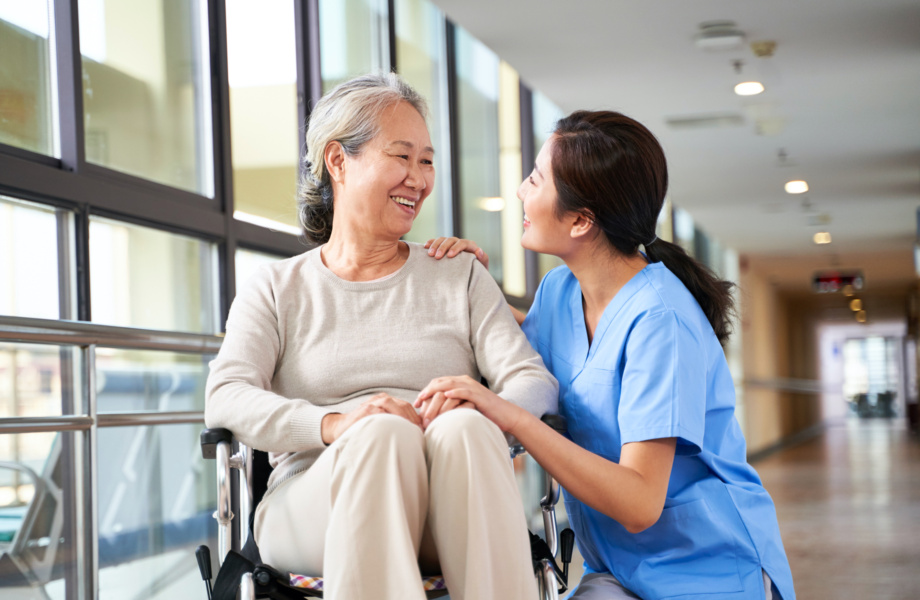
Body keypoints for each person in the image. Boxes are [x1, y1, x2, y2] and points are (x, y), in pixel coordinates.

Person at [205, 73, 558, 600]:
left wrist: (480, 406)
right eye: (402, 157)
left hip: (448, 503)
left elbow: (534, 382)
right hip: (313, 504)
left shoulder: (458, 274)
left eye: (427, 161)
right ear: (338, 161)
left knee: (463, 427)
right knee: (381, 434)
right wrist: (336, 424)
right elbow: (226, 397)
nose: (418, 178)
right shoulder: (277, 288)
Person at [420, 110, 796, 599]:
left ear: (580, 221)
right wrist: (471, 287)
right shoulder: (558, 292)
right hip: (623, 570)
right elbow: (519, 355)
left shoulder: (661, 321)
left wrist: (514, 419)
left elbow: (640, 501)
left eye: (535, 179)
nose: (520, 191)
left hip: (710, 571)